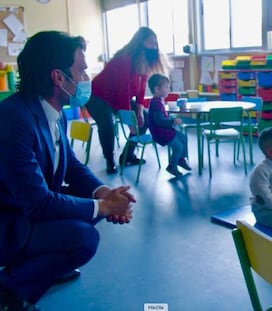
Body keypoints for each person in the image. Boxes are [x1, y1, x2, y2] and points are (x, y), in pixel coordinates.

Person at [0, 31, 135, 310]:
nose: (86, 79)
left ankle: (42, 266)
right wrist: (104, 206)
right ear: (58, 77)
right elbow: (38, 203)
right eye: (82, 71)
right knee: (83, 237)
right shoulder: (13, 118)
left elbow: (71, 165)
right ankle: (8, 291)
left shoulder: (50, 109)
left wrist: (104, 192)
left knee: (88, 211)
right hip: (8, 220)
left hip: (23, 208)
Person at [85, 27, 171, 174]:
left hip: (116, 97)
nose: (154, 47)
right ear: (140, 43)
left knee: (144, 118)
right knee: (107, 126)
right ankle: (109, 160)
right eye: (150, 43)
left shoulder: (144, 63)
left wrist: (138, 111)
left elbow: (142, 88)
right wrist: (130, 121)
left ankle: (128, 155)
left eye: (155, 43)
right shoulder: (124, 60)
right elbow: (122, 92)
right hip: (97, 97)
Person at [147, 74, 191, 177]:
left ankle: (180, 159)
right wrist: (172, 121)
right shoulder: (156, 103)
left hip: (165, 131)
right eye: (166, 87)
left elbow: (161, 118)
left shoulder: (158, 101)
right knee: (179, 147)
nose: (169, 89)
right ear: (157, 89)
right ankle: (172, 166)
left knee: (183, 138)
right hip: (160, 133)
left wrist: (170, 119)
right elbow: (159, 121)